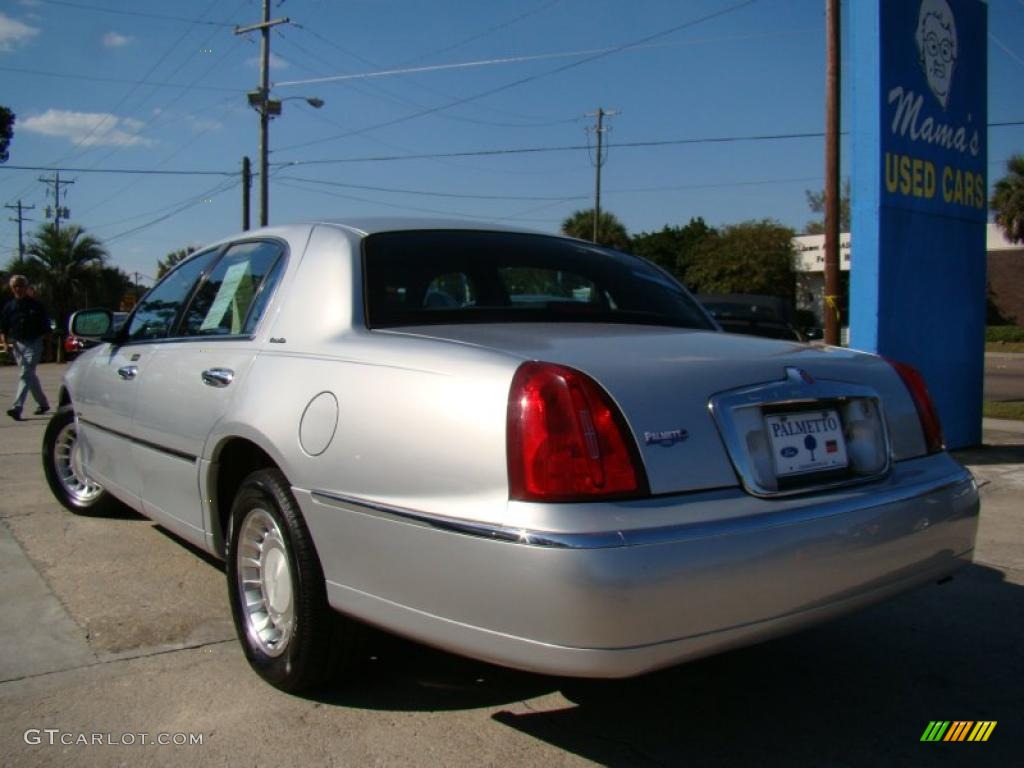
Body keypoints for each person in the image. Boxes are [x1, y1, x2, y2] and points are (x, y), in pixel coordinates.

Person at [0, 275, 51, 420]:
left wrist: (48, 349)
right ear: (12, 288)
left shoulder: (36, 305)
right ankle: (43, 404)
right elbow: (3, 328)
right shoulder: (9, 307)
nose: (18, 288)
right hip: (17, 344)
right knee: (29, 375)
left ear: (26, 287)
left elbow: (46, 329)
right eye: (15, 286)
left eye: (21, 285)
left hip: (34, 342)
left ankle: (17, 407)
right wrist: (5, 344)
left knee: (25, 373)